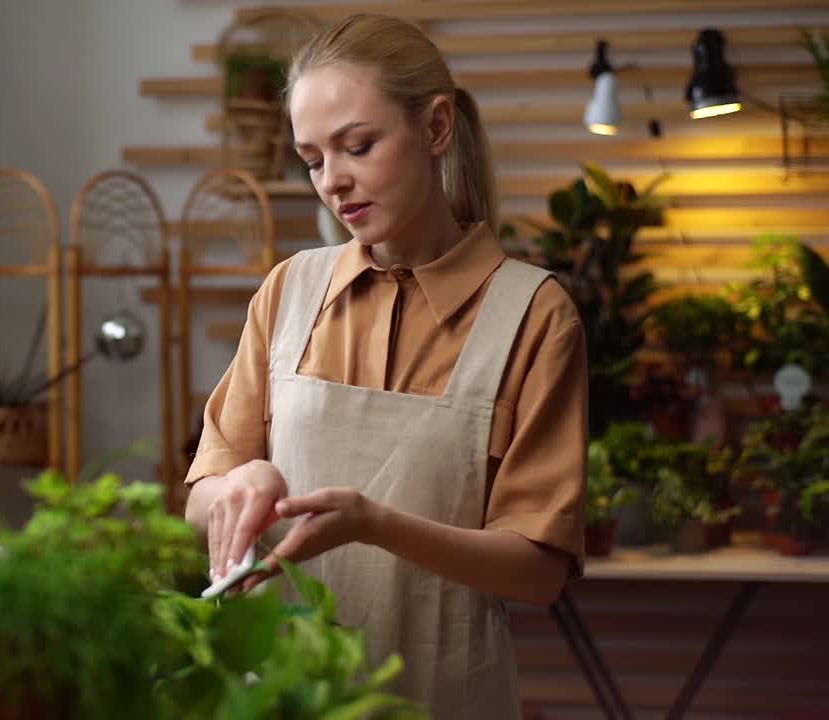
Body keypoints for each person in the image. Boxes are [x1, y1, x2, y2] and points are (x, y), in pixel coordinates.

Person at [182, 14, 587, 719]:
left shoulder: (535, 316)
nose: (334, 182)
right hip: (282, 695)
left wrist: (374, 523)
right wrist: (238, 483)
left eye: (358, 147)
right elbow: (199, 497)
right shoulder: (288, 291)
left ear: (436, 129)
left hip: (445, 697)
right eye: (313, 160)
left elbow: (540, 572)